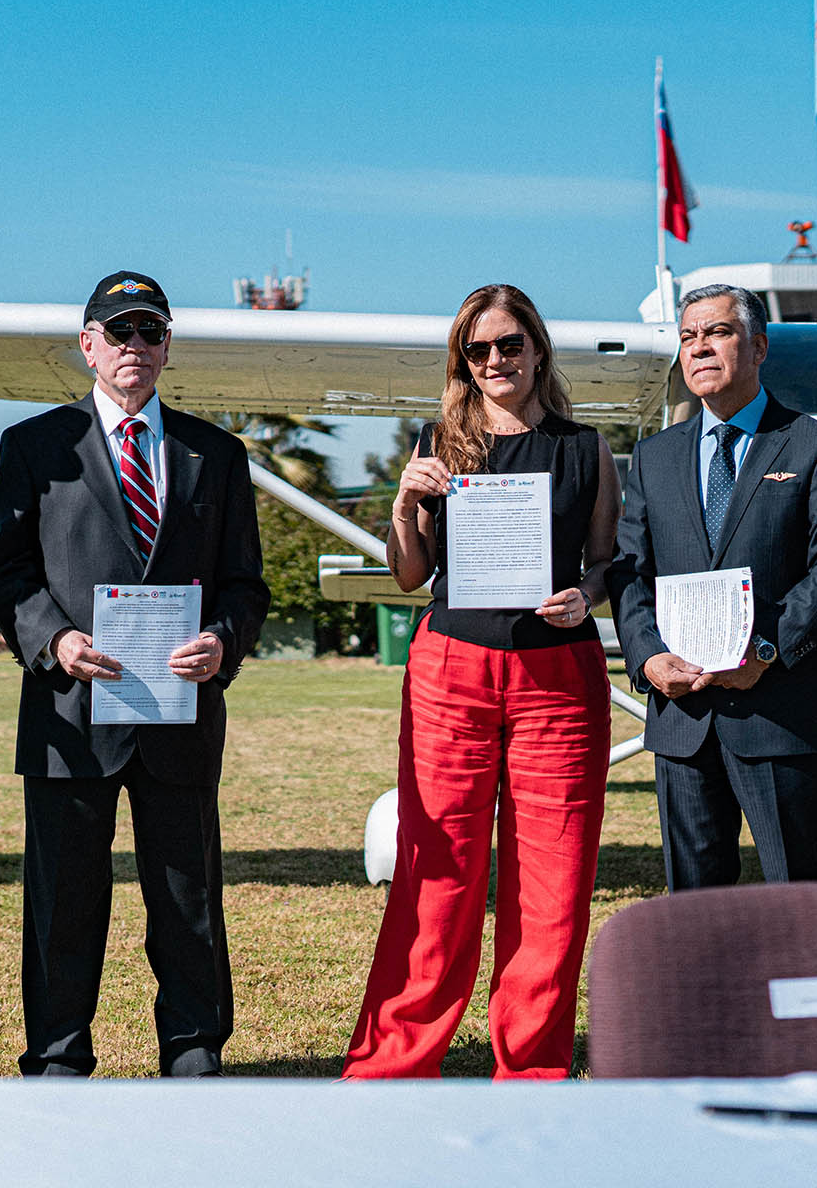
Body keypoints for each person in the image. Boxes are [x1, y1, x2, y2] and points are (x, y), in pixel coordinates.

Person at [0, 270, 268, 1080]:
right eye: (118, 332)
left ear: (168, 346)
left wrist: (222, 641)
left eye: (149, 331)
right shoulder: (33, 447)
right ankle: (60, 1051)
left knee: (186, 897)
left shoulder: (217, 454)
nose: (133, 346)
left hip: (180, 712)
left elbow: (247, 585)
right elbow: (4, 574)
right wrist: (55, 642)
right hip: (71, 711)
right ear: (88, 346)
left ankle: (194, 1045)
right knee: (64, 900)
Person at [343, 283, 619, 1080]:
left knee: (554, 879)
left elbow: (603, 563)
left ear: (537, 349)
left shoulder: (584, 449)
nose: (495, 360)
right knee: (437, 870)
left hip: (558, 676)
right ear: (463, 361)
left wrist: (586, 595)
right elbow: (409, 576)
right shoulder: (438, 443)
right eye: (478, 349)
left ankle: (531, 1066)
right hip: (451, 670)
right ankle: (394, 1064)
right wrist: (401, 505)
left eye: (509, 344)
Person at [608, 283, 817, 887]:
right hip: (682, 715)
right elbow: (629, 570)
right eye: (689, 336)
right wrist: (647, 659)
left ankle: (800, 986)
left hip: (781, 711)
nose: (700, 348)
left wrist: (766, 650)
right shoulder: (653, 457)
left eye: (718, 332)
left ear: (758, 346)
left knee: (796, 896)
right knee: (695, 911)